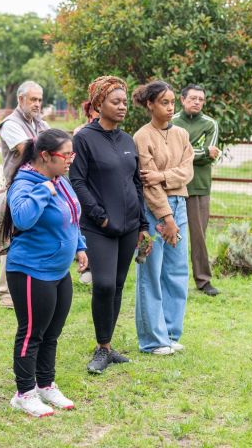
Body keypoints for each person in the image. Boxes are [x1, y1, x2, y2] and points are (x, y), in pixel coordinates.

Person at [0, 128, 87, 417]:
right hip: (30, 270)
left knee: (52, 332)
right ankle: (24, 393)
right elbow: (23, 218)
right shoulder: (26, 183)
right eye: (66, 155)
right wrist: (43, 190)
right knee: (31, 333)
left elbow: (73, 214)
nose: (70, 160)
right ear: (46, 156)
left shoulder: (59, 179)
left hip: (58, 270)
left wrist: (80, 247)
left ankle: (45, 384)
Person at [69, 76, 152, 374]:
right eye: (115, 102)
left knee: (117, 285)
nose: (122, 107)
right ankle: (100, 347)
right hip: (98, 226)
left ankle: (107, 346)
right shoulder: (84, 138)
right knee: (103, 284)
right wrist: (99, 214)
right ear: (98, 104)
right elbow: (76, 180)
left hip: (129, 226)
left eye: (125, 102)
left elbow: (135, 183)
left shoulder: (128, 140)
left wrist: (142, 223)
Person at [132, 81, 194, 355]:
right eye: (164, 103)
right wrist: (165, 216)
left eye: (172, 103)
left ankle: (170, 332)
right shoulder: (142, 136)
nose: (170, 108)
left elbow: (187, 171)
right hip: (154, 210)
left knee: (177, 271)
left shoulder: (181, 133)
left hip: (181, 203)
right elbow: (148, 182)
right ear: (150, 105)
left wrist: (163, 175)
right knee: (151, 272)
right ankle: (152, 339)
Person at [0, 80, 50, 308]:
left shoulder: (41, 123)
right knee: (13, 238)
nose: (37, 104)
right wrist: (51, 146)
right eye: (33, 99)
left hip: (41, 186)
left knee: (35, 237)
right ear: (20, 100)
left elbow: (53, 147)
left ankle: (34, 286)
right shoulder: (10, 123)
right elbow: (25, 149)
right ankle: (5, 293)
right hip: (18, 188)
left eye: (39, 100)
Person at [172, 84, 221, 296]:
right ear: (182, 100)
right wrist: (196, 152)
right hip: (173, 186)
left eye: (201, 99)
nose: (197, 102)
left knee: (198, 237)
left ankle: (203, 281)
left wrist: (186, 152)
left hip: (199, 187)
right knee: (170, 234)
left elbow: (210, 154)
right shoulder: (171, 122)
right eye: (193, 98)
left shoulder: (210, 124)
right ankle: (172, 280)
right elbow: (170, 155)